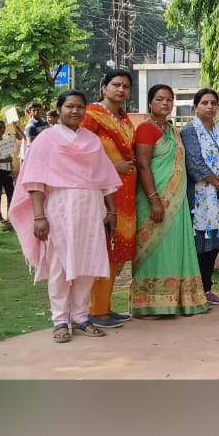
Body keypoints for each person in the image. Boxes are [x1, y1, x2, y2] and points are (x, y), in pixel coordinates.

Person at [10, 90, 120, 342]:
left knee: (87, 263)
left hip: (91, 210)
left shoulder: (92, 141)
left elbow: (106, 182)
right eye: (70, 106)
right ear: (59, 109)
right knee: (60, 266)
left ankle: (81, 317)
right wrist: (39, 217)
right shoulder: (46, 140)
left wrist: (111, 211)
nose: (75, 111)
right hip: (60, 209)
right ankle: (60, 320)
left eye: (80, 107)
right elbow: (35, 182)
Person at [130, 84, 210, 317]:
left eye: (169, 99)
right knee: (155, 250)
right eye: (159, 99)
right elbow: (143, 165)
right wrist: (155, 200)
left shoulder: (172, 130)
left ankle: (176, 300)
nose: (165, 103)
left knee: (175, 248)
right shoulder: (145, 129)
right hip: (153, 199)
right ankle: (151, 304)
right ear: (150, 103)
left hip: (176, 202)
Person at [81, 69, 138, 329]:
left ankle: (104, 307)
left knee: (117, 251)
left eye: (126, 86)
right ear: (104, 87)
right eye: (115, 84)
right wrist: (114, 166)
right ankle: (95, 310)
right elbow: (82, 152)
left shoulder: (125, 119)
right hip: (103, 192)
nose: (121, 90)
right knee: (102, 248)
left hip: (126, 193)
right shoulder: (91, 116)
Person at [180, 88, 219, 307]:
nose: (210, 106)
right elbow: (195, 163)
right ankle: (195, 291)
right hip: (201, 198)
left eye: (213, 103)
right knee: (200, 243)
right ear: (196, 106)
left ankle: (207, 288)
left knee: (215, 243)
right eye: (204, 102)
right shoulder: (189, 132)